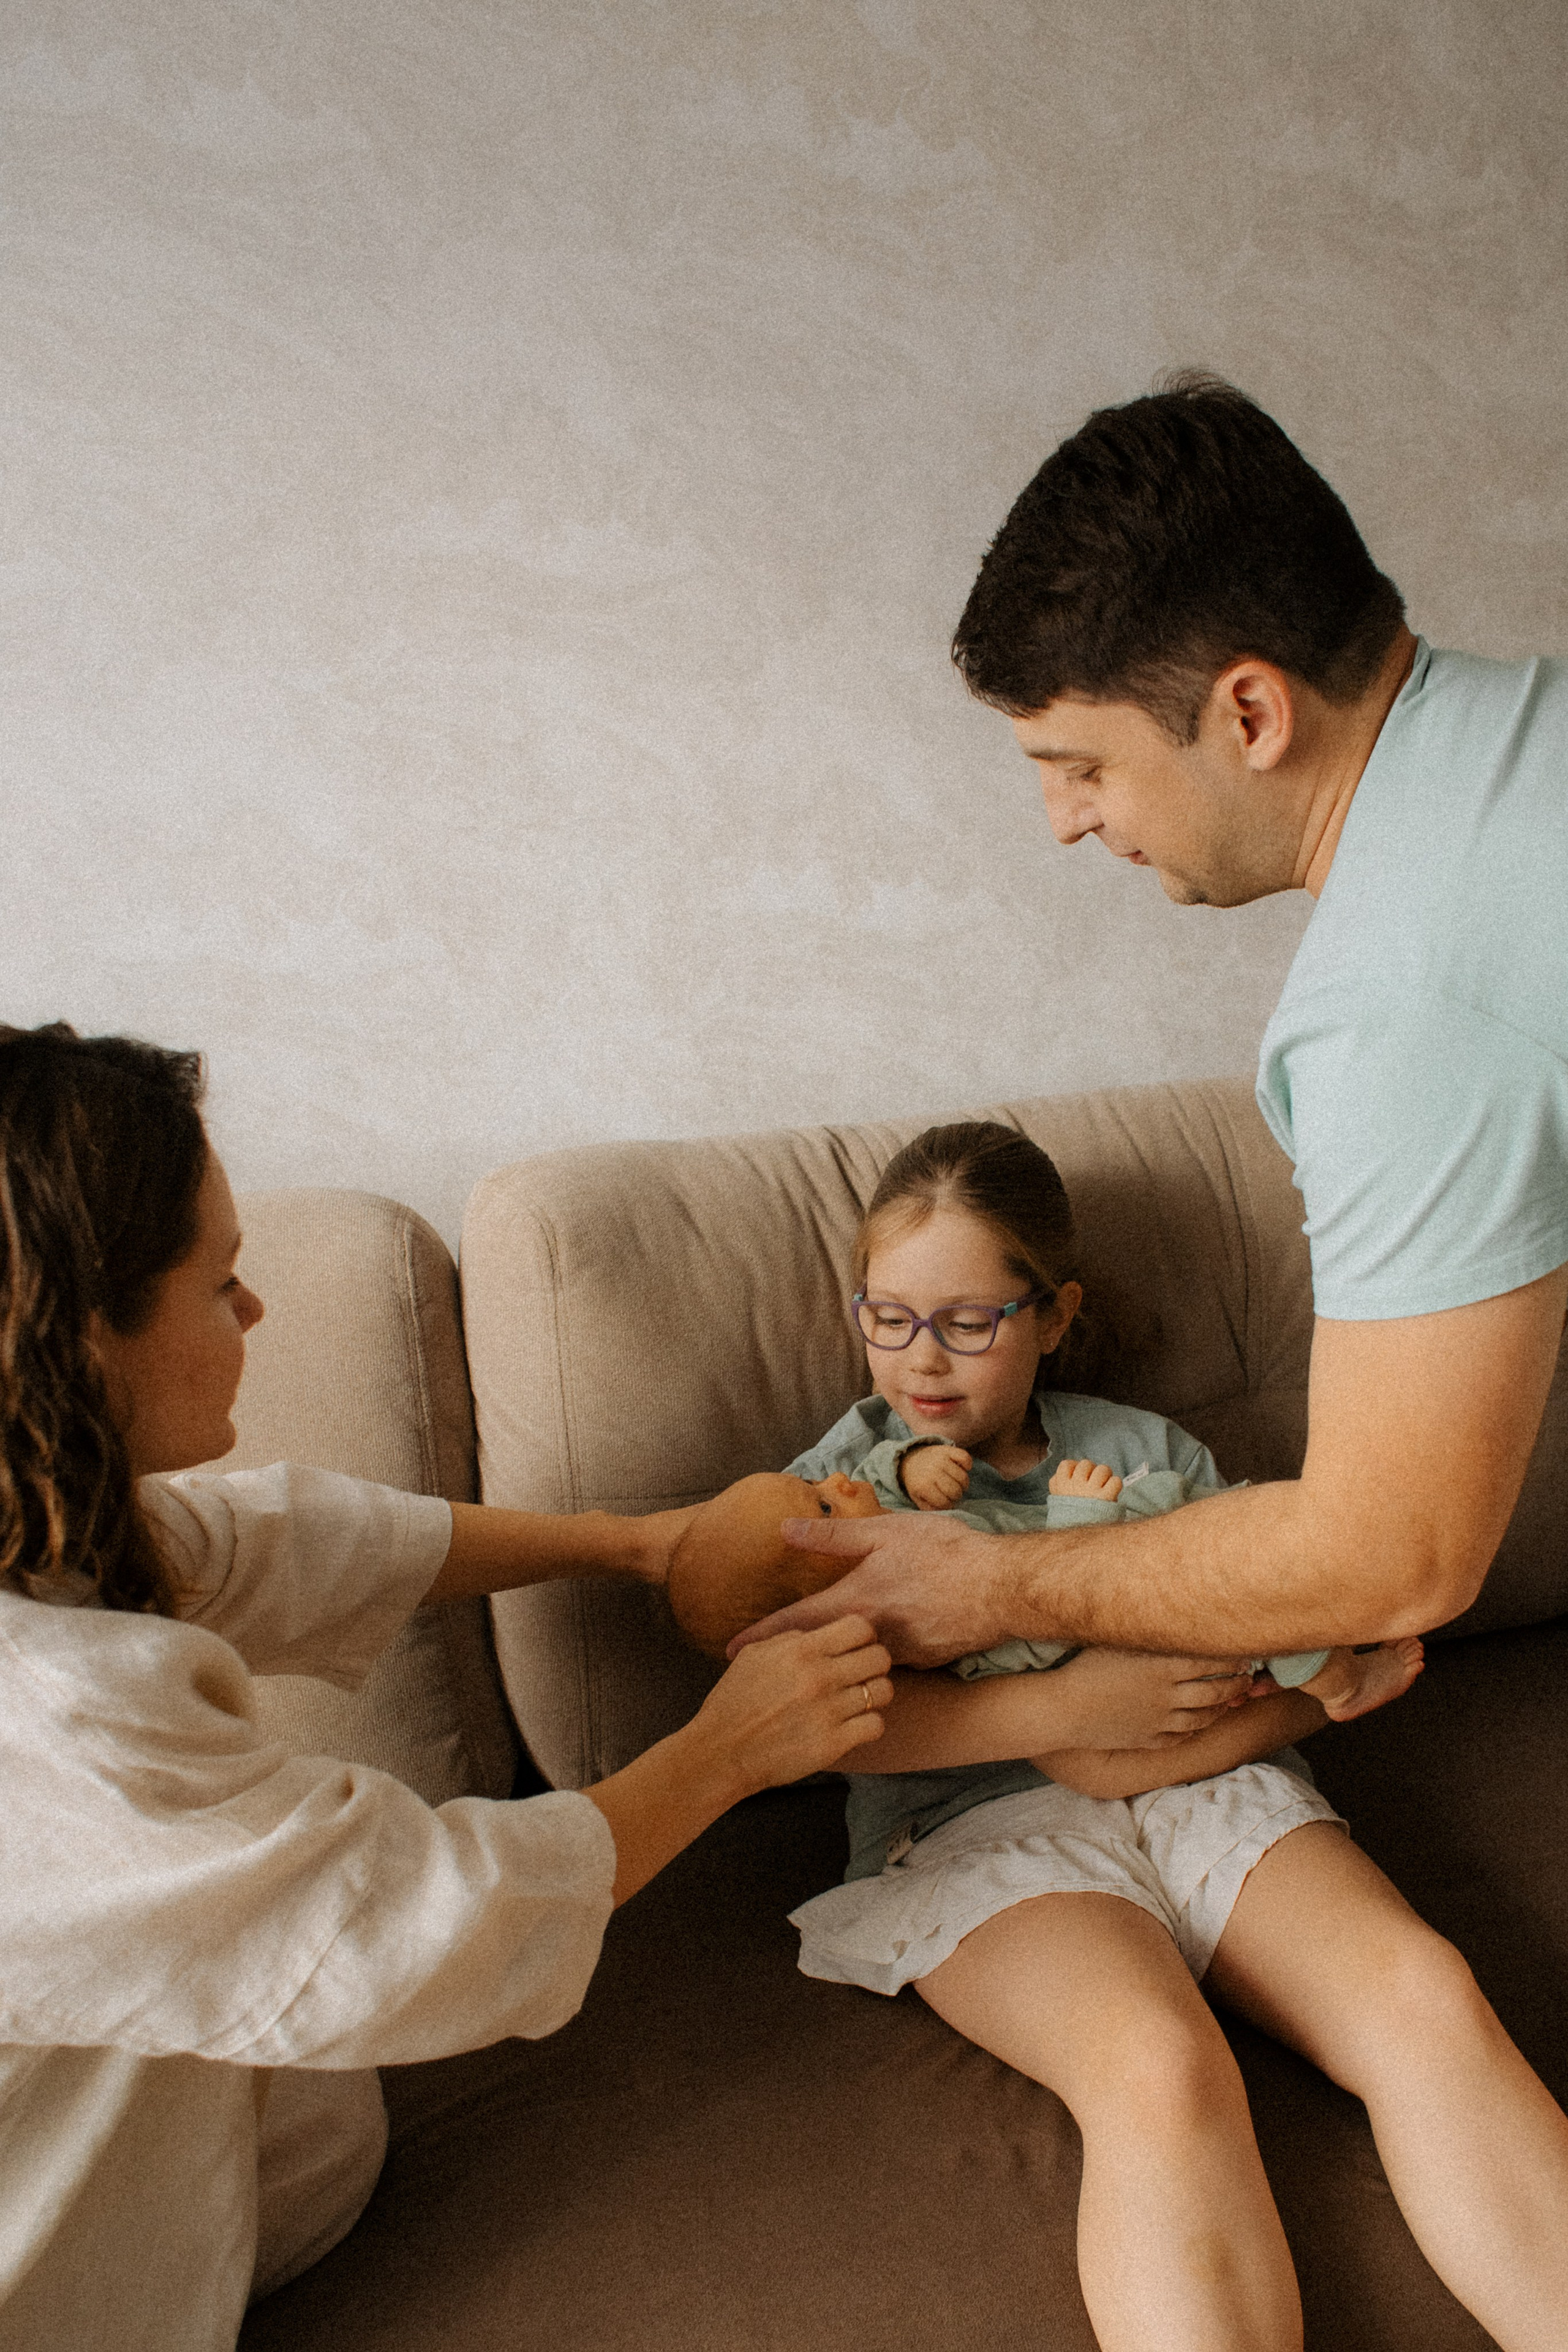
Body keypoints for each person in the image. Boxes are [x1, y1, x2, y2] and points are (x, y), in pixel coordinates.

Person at [0, 1022, 892, 2352]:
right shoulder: (52, 1727)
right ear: (81, 1340)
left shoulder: (44, 1519)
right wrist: (727, 1752)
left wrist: (631, 1541)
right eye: (221, 1283)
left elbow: (273, 1540)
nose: (254, 1313)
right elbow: (409, 1920)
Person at [740, 374, 1568, 1672]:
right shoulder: (1530, 731)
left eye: (1081, 765)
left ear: (1248, 712)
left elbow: (1390, 1556)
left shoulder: (1397, 1008)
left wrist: (997, 1585)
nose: (1063, 820)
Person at [783, 1120, 1568, 2352]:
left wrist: (1309, 1696)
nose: (919, 1360)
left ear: (1051, 1312)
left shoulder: (1147, 1459)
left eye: (968, 1320)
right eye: (886, 1316)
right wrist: (1064, 1716)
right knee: (1154, 2062)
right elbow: (823, 1729)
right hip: (971, 1820)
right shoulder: (836, 1489)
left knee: (1422, 1993)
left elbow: (1263, 1663)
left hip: (1212, 1787)